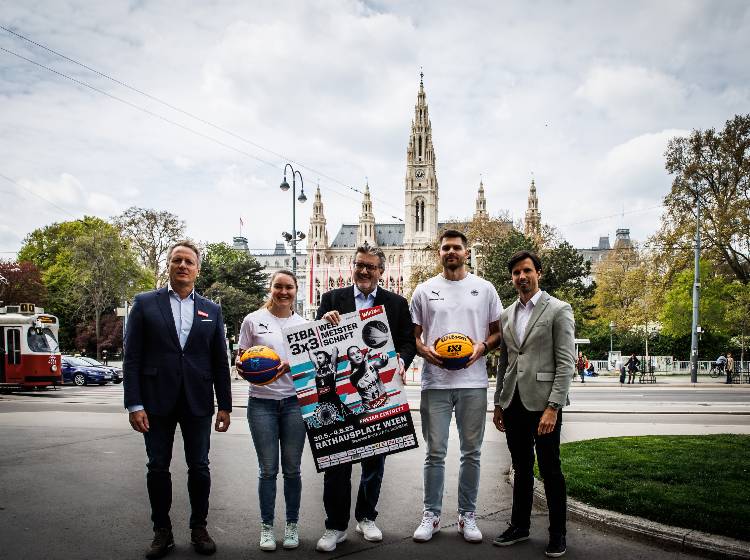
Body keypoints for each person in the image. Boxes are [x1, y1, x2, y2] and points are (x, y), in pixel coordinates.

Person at [123, 241, 232, 559]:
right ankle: (162, 531)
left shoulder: (212, 310)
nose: (182, 265)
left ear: (197, 269)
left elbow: (218, 361)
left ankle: (199, 528)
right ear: (168, 266)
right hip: (155, 401)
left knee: (199, 467)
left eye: (189, 262)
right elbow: (132, 358)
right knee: (157, 467)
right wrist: (134, 404)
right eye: (177, 260)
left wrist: (224, 404)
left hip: (197, 401)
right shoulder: (144, 303)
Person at [314, 244, 416, 552]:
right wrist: (323, 323)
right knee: (337, 464)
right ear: (352, 266)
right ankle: (335, 527)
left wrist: (401, 359)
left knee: (375, 461)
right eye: (360, 265)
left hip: (378, 393)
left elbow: (407, 342)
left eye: (371, 267)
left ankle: (366, 517)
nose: (364, 271)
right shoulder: (332, 300)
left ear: (380, 271)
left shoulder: (396, 303)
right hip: (343, 394)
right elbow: (316, 344)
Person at [410, 230, 503, 544]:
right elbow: (415, 337)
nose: (451, 252)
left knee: (471, 453)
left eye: (457, 247)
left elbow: (497, 333)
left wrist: (481, 348)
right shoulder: (424, 290)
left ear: (466, 252)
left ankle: (467, 515)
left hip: (473, 381)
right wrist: (425, 352)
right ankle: (431, 515)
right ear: (440, 253)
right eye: (446, 247)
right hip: (434, 383)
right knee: (434, 453)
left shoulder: (485, 288)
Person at [492, 250, 574, 558]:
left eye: (527, 271)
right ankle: (519, 526)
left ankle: (558, 533)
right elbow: (505, 363)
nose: (521, 277)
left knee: (551, 469)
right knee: (522, 467)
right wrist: (499, 402)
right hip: (513, 402)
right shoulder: (506, 314)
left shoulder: (559, 310)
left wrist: (553, 406)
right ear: (512, 278)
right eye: (516, 273)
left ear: (538, 273)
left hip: (544, 405)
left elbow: (566, 363)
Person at [237, 270, 307, 551]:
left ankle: (292, 525)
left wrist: (292, 366)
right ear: (270, 288)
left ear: (296, 290)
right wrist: (248, 370)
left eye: (289, 287)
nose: (283, 292)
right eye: (278, 286)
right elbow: (240, 359)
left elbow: (312, 365)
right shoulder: (252, 321)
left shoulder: (304, 323)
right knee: (267, 470)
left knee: (292, 470)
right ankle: (267, 527)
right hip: (262, 403)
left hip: (294, 403)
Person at [346, 345, 390, 410]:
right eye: (352, 354)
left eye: (358, 352)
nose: (357, 355)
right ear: (350, 359)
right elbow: (363, 369)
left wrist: (385, 358)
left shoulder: (371, 365)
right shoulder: (352, 376)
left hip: (386, 402)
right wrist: (366, 358)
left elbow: (382, 363)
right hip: (370, 409)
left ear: (361, 354)